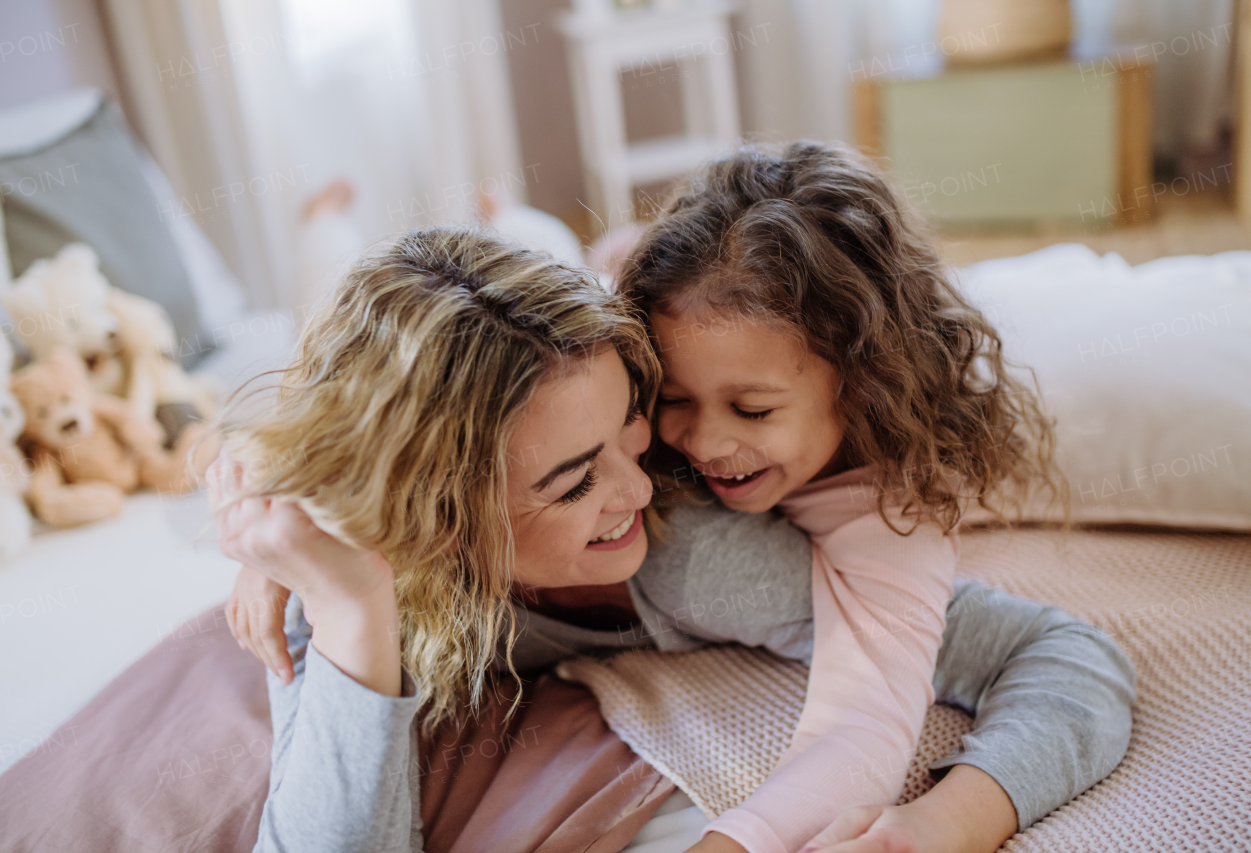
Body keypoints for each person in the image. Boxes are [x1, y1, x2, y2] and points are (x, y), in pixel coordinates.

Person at [213, 226, 1134, 853]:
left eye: (634, 422)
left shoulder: (693, 555)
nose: (642, 485)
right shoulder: (348, 563)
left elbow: (1062, 654)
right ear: (431, 514)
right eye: (574, 479)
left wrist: (947, 823)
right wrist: (351, 611)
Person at [615, 140, 1071, 852]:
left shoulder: (887, 507)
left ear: (863, 384)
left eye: (753, 410)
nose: (703, 442)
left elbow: (861, 726)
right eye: (675, 399)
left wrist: (737, 842)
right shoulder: (636, 367)